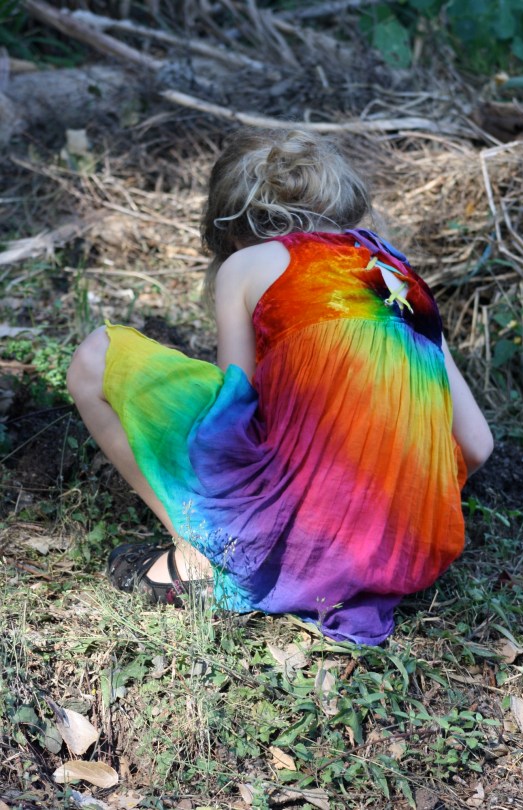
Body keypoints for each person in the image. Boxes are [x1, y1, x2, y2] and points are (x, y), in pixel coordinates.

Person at [67, 128, 493, 645]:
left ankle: (197, 557)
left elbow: (232, 413)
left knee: (96, 357)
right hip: (405, 555)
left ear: (232, 231)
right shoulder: (396, 277)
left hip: (298, 543)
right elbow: (477, 444)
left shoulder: (247, 263)